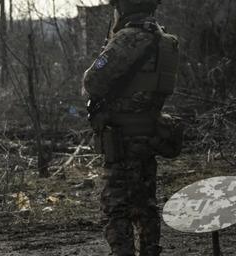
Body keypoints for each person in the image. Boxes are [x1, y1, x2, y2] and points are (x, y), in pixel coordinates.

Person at [83, 0, 181, 255]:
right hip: (150, 133)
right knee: (145, 204)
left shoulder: (127, 38)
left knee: (115, 208)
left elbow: (92, 81)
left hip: (123, 138)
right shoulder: (165, 41)